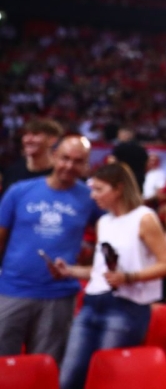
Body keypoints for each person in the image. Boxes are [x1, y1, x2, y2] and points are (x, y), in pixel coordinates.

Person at [55, 162, 166, 389]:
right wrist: (70, 271)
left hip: (126, 307)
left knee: (108, 379)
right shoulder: (104, 222)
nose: (93, 195)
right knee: (69, 378)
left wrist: (129, 277)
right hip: (92, 303)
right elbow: (101, 271)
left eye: (99, 189)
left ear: (119, 189)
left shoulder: (144, 218)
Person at [0, 135, 100, 362]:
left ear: (86, 165)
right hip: (12, 290)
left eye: (78, 161)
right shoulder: (19, 191)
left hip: (59, 296)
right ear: (54, 156)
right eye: (65, 158)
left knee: (45, 367)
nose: (69, 166)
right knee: (2, 366)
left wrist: (86, 262)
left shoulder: (90, 198)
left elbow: (114, 231)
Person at [0, 118, 63, 199]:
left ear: (52, 140)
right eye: (26, 135)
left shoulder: (62, 172)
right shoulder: (12, 173)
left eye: (35, 134)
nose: (28, 140)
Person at [111, 127, 149, 195]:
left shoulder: (119, 148)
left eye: (119, 134)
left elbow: (112, 162)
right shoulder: (141, 148)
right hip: (139, 178)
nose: (118, 137)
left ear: (126, 135)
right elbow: (146, 163)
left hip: (124, 178)